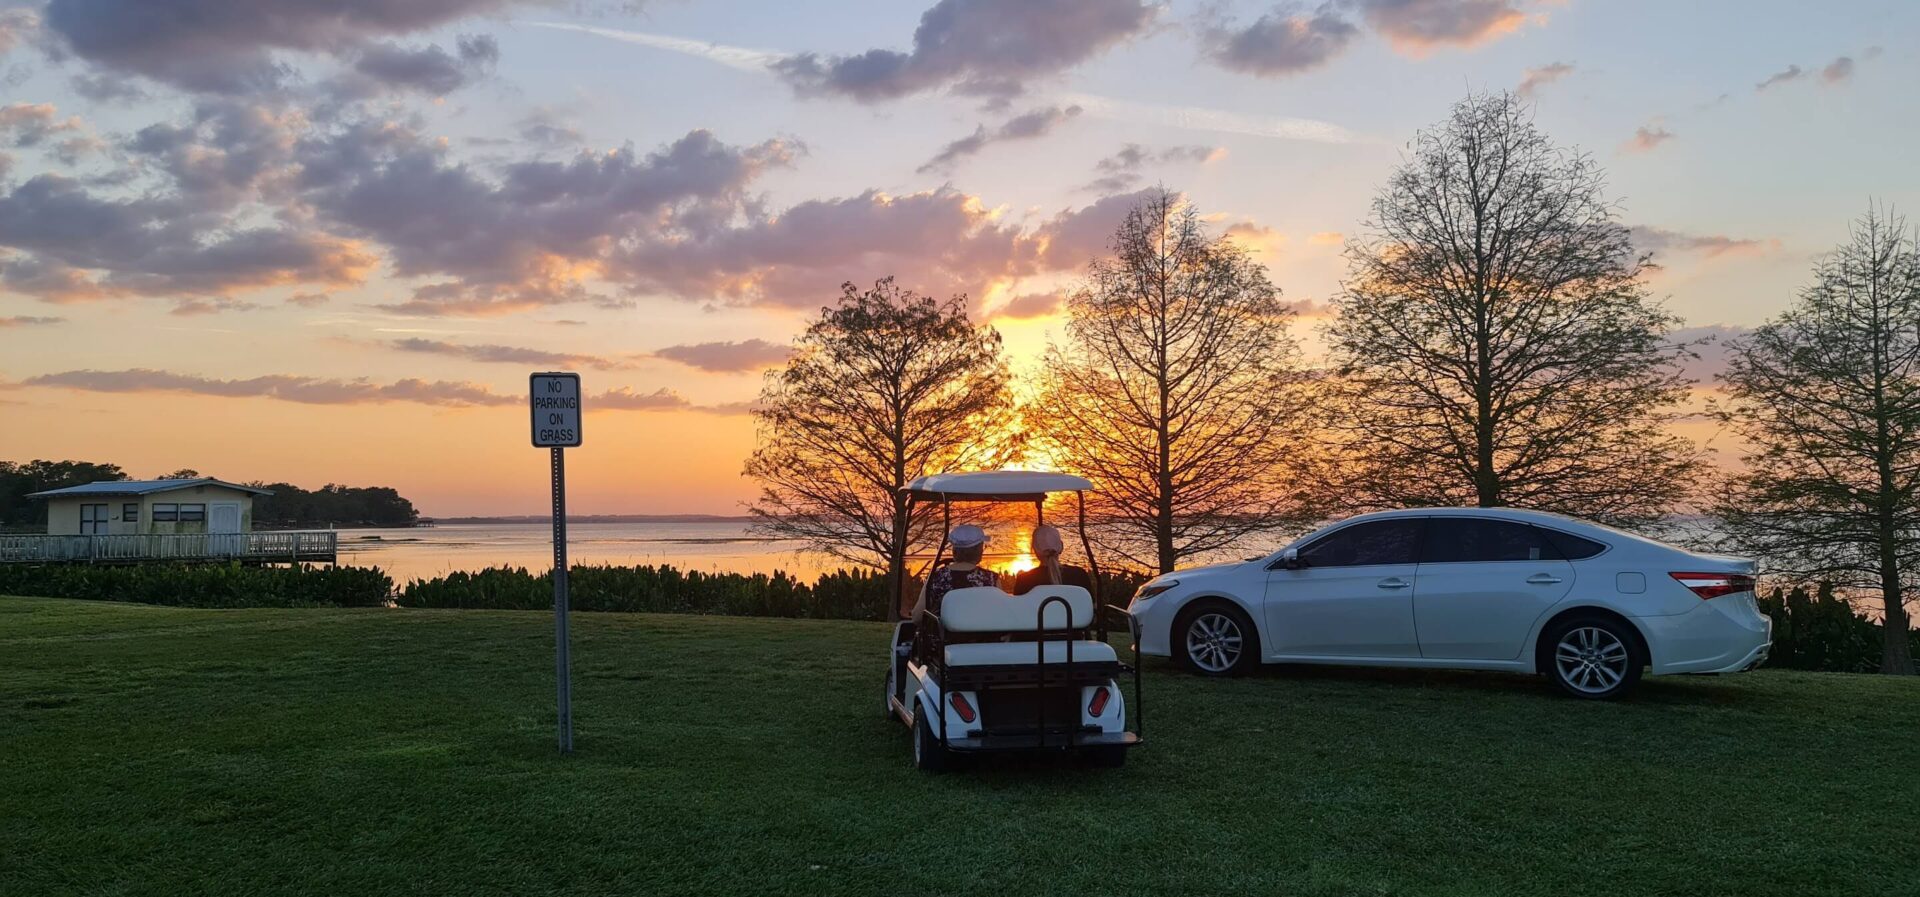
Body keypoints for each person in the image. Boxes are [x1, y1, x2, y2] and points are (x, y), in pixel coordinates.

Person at [912, 524, 1002, 618]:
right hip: (983, 632)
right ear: (979, 551)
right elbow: (1001, 615)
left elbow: (918, 617)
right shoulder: (991, 579)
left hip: (945, 633)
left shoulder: (935, 577)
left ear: (954, 551)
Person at [1013, 524, 1094, 596]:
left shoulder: (1024, 580)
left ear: (1034, 550)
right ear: (1061, 547)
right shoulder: (1079, 575)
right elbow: (1092, 607)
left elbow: (1018, 611)